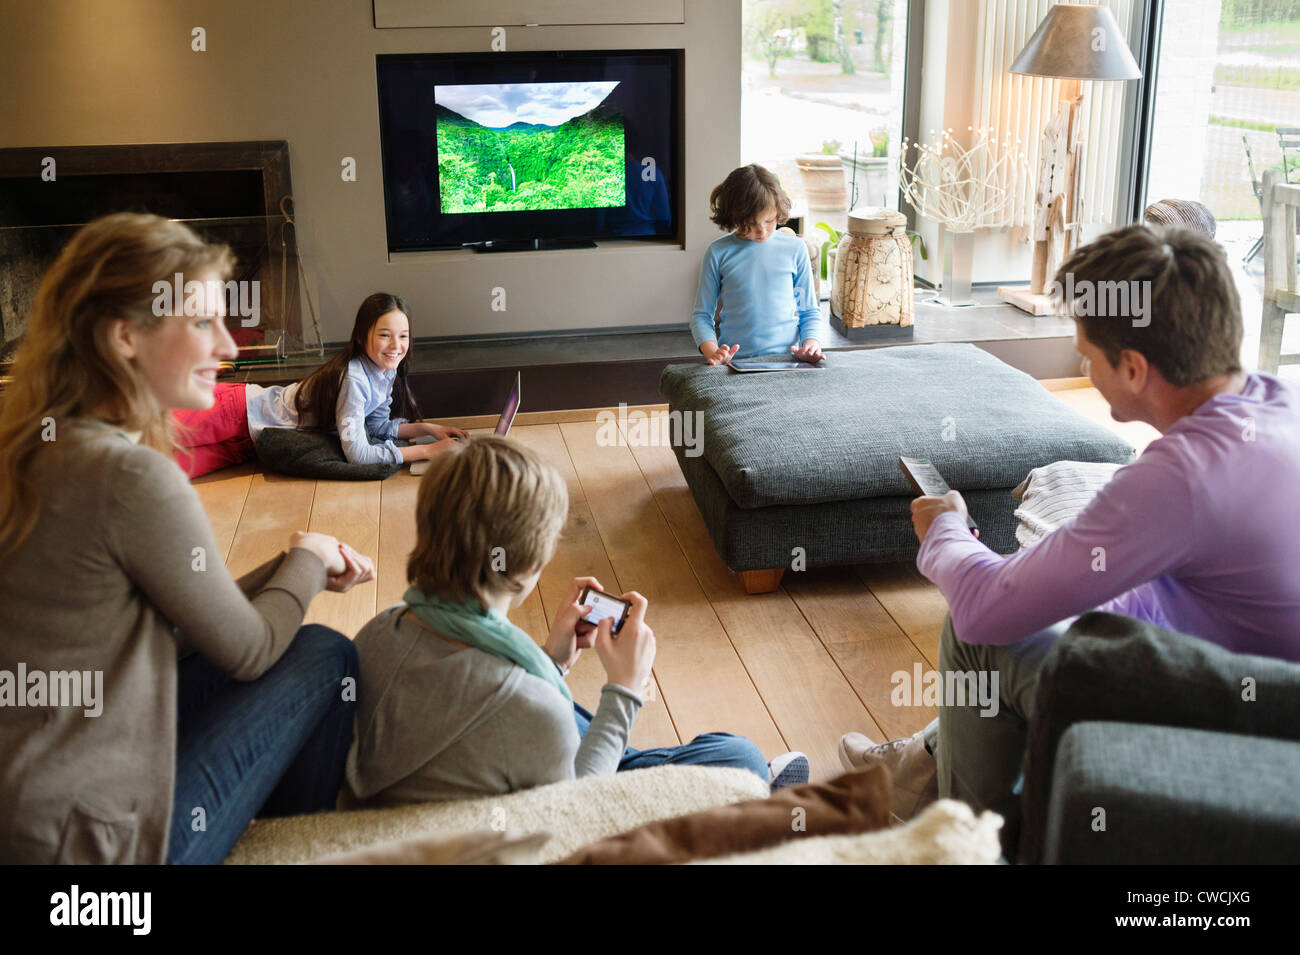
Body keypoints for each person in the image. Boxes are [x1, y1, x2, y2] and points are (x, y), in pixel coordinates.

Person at [838, 224, 1300, 835]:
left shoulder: (1183, 476)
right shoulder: (1275, 403)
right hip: (1259, 683)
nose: (1082, 364)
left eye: (1086, 353)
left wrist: (947, 531)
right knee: (1060, 611)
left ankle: (967, 844)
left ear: (1133, 368)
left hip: (1247, 721)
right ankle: (920, 764)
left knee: (983, 639)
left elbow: (982, 610)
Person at [0, 212, 376, 864]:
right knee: (321, 655)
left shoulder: (34, 447)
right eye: (202, 322)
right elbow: (252, 649)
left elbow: (186, 616)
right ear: (125, 336)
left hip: (29, 815)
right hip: (100, 859)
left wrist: (295, 561)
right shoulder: (129, 475)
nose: (229, 346)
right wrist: (309, 560)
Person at [344, 435, 810, 806]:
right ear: (531, 563)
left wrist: (553, 661)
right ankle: (750, 793)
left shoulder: (383, 628)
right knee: (738, 757)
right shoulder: (527, 703)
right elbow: (576, 808)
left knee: (696, 748)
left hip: (486, 763)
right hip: (535, 802)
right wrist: (625, 690)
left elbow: (477, 719)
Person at [172, 292, 468, 478]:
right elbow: (359, 454)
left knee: (160, 472)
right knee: (139, 436)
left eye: (403, 336)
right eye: (385, 335)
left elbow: (377, 428)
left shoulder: (384, 370)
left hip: (248, 442)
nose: (396, 346)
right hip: (234, 411)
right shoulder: (353, 379)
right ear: (362, 337)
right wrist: (425, 452)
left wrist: (428, 430)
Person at [690, 163, 824, 366]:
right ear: (734, 217)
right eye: (751, 224)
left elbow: (809, 311)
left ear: (778, 212)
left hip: (787, 361)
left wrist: (811, 344)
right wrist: (713, 352)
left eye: (769, 221)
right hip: (734, 363)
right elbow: (701, 316)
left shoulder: (795, 248)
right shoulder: (718, 252)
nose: (761, 231)